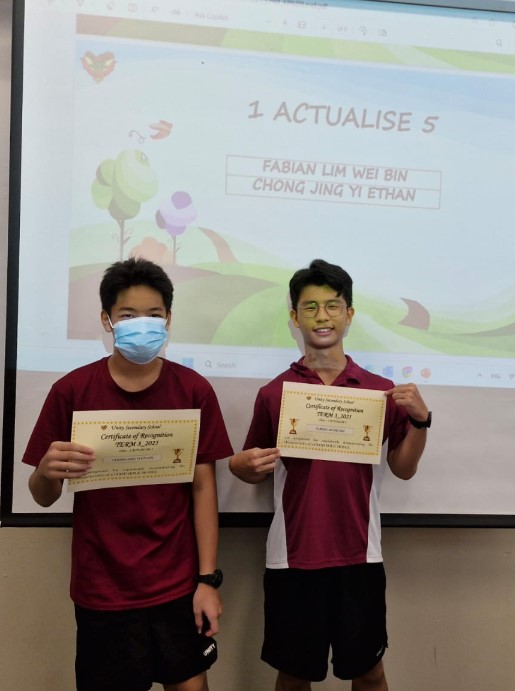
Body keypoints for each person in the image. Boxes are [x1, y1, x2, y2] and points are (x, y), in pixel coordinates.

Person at [23, 257, 233, 691]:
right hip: (103, 589)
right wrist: (45, 471)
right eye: (128, 315)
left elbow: (203, 488)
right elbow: (43, 494)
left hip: (178, 585)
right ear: (107, 320)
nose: (143, 324)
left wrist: (207, 580)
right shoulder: (71, 391)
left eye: (153, 315)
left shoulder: (193, 389)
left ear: (169, 318)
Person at [229, 258, 431, 691]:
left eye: (333, 305)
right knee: (293, 676)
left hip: (360, 556)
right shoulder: (274, 393)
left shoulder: (379, 391)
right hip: (293, 556)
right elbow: (254, 467)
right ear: (294, 317)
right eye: (310, 307)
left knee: (370, 674)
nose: (322, 316)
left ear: (349, 314)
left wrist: (420, 421)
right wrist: (239, 466)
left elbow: (403, 468)